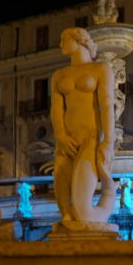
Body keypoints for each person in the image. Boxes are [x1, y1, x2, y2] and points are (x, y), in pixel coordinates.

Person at [50, 28, 117, 231]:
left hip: (91, 139)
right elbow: (56, 109)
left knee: (82, 212)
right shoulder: (59, 75)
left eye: (64, 40)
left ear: (79, 41)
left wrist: (108, 141)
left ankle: (109, 193)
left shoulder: (101, 68)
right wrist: (60, 135)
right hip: (66, 142)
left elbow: (107, 105)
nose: (61, 45)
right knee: (67, 216)